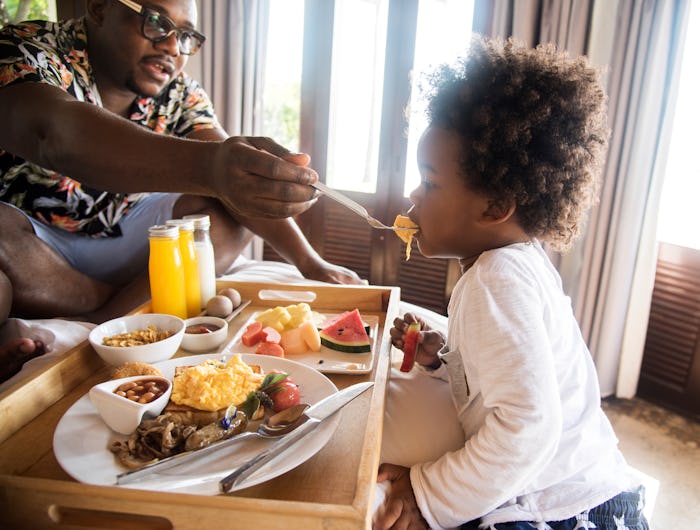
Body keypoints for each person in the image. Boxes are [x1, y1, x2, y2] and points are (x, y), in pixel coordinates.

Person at [0, 0, 362, 381]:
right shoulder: (25, 50)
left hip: (127, 234)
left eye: (186, 35)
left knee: (219, 215)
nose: (173, 47)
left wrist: (311, 263)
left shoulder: (180, 94)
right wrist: (212, 167)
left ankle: (99, 321)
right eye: (156, 22)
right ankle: (113, 299)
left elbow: (233, 178)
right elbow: (53, 134)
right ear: (99, 8)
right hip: (33, 248)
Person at [373, 37, 649, 530]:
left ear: (495, 207)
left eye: (430, 182)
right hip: (596, 492)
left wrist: (425, 493)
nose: (413, 193)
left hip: (562, 509)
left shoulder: (494, 282)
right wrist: (445, 358)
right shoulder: (520, 263)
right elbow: (508, 373)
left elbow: (528, 427)